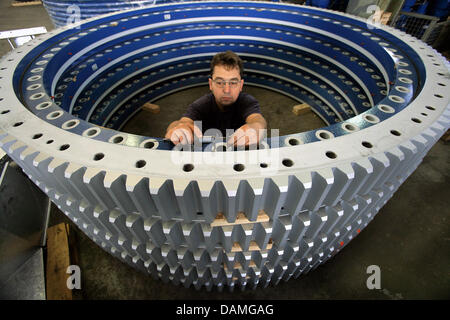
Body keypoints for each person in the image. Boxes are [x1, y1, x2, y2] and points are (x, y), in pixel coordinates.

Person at [165, 51, 267, 147]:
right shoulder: (201, 104)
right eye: (219, 82)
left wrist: (256, 128)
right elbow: (182, 122)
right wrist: (179, 128)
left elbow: (257, 119)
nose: (227, 90)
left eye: (233, 82)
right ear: (211, 84)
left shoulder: (247, 101)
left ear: (241, 85)